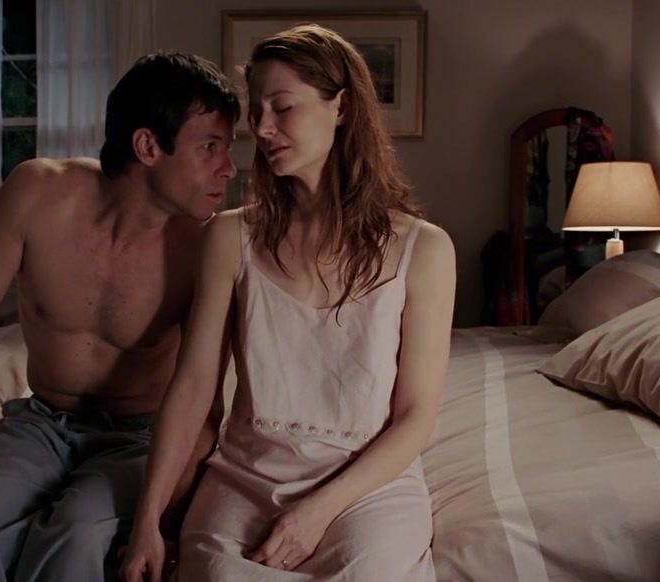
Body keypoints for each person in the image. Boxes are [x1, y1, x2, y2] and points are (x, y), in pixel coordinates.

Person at [0, 52, 240, 581]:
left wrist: (163, 518)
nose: (229, 168)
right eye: (210, 147)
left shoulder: (207, 246)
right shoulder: (37, 193)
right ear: (148, 146)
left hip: (143, 438)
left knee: (77, 533)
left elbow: (204, 402)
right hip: (41, 422)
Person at [121, 24, 455, 582]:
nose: (262, 128)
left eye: (282, 107)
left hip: (366, 486)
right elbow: (194, 387)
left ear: (341, 107)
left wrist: (316, 514)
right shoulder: (229, 236)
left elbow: (416, 417)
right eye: (257, 112)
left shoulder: (424, 249)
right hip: (246, 475)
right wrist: (148, 520)